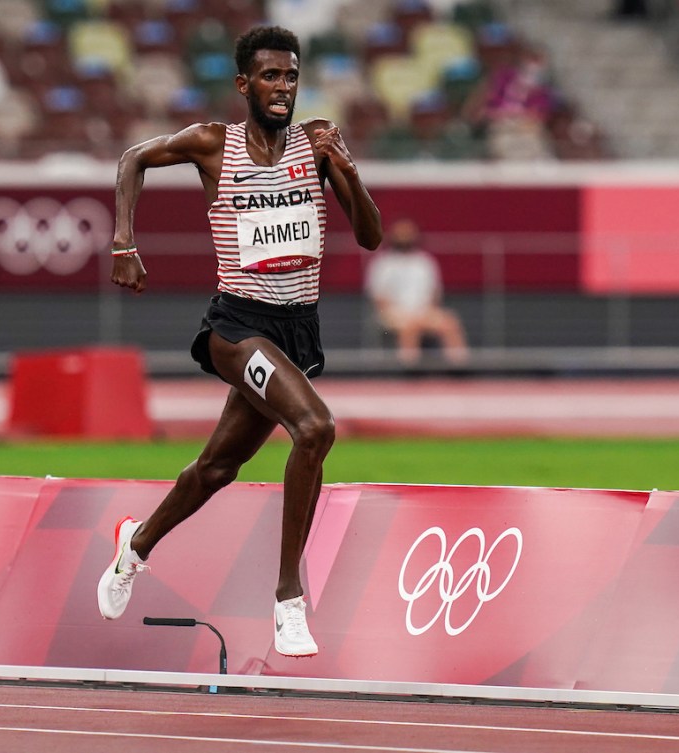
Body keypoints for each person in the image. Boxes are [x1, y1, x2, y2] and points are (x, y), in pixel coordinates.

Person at [96, 25, 382, 658]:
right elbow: (131, 160)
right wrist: (124, 242)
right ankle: (289, 599)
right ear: (243, 84)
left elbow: (370, 237)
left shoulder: (316, 145)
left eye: (292, 77)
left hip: (295, 331)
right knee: (314, 428)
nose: (284, 88)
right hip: (235, 326)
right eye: (271, 76)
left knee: (217, 468)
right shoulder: (210, 144)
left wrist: (346, 170)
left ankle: (134, 545)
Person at [365, 217, 468, 367]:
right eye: (401, 234)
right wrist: (406, 315)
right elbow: (379, 297)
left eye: (408, 233)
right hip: (394, 314)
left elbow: (435, 293)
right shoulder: (383, 263)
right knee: (410, 327)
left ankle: (459, 370)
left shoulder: (425, 262)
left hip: (425, 312)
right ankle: (410, 371)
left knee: (450, 323)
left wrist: (425, 313)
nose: (404, 237)